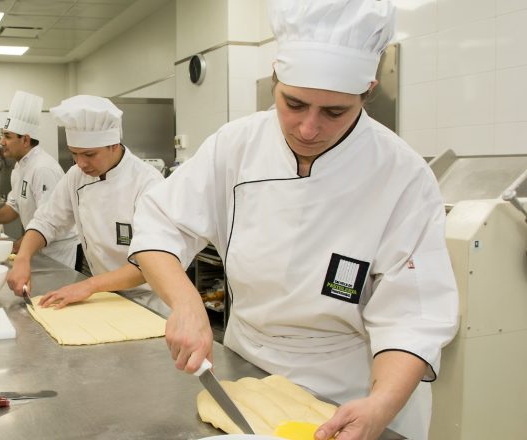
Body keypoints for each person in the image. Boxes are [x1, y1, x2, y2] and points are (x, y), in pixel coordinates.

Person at [129, 1, 459, 439]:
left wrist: (380, 405)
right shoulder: (237, 145)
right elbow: (159, 222)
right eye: (294, 103)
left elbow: (413, 317)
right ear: (275, 79)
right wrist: (187, 303)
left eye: (334, 112)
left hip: (352, 390)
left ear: (368, 90)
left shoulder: (402, 175)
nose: (307, 128)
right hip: (246, 372)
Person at [7, 95, 168, 316]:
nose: (81, 163)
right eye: (74, 154)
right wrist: (23, 258)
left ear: (113, 144)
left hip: (148, 303)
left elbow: (153, 265)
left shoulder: (147, 183)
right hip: (105, 297)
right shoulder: (76, 176)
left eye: (89, 154)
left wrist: (89, 285)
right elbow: (47, 220)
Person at [0, 91, 79, 268]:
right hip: (36, 249)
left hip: (56, 255)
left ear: (26, 140)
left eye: (8, 136)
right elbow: (13, 207)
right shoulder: (20, 167)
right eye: (2, 136)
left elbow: (50, 222)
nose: (2, 142)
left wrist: (19, 245)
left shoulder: (43, 168)